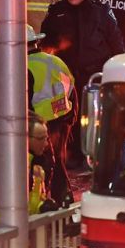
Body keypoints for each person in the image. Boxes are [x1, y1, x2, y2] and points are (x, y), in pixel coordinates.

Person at [41, 0, 125, 164]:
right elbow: (46, 39)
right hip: (65, 74)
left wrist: (119, 67)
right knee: (67, 116)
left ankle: (96, 151)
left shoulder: (100, 11)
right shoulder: (57, 12)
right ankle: (70, 154)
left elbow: (115, 39)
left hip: (93, 74)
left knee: (94, 113)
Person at [0, 113, 55, 238]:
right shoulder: (5, 163)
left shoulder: (36, 169)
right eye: (41, 138)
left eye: (46, 138)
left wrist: (43, 207)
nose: (46, 143)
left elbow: (30, 205)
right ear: (25, 138)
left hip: (12, 241)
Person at [26, 25, 76, 205]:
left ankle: (52, 200)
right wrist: (71, 118)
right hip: (63, 118)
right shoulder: (55, 61)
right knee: (58, 160)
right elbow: (71, 87)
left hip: (42, 123)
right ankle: (63, 198)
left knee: (48, 164)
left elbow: (25, 101)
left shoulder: (22, 67)